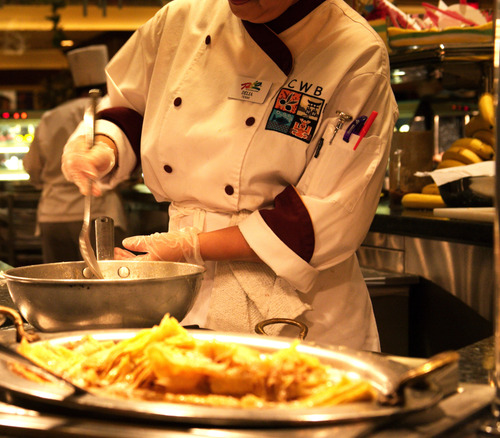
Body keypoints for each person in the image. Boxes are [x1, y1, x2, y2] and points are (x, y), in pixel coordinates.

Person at [61, 0, 398, 351]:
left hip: (298, 313)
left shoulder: (356, 53)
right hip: (183, 294)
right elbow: (127, 105)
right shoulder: (182, 17)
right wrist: (104, 144)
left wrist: (190, 247)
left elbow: (328, 216)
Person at [24, 45, 128, 263]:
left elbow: (32, 166)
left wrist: (45, 184)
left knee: (58, 286)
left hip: (54, 214)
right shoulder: (113, 112)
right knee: (104, 285)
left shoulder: (50, 117)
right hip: (100, 214)